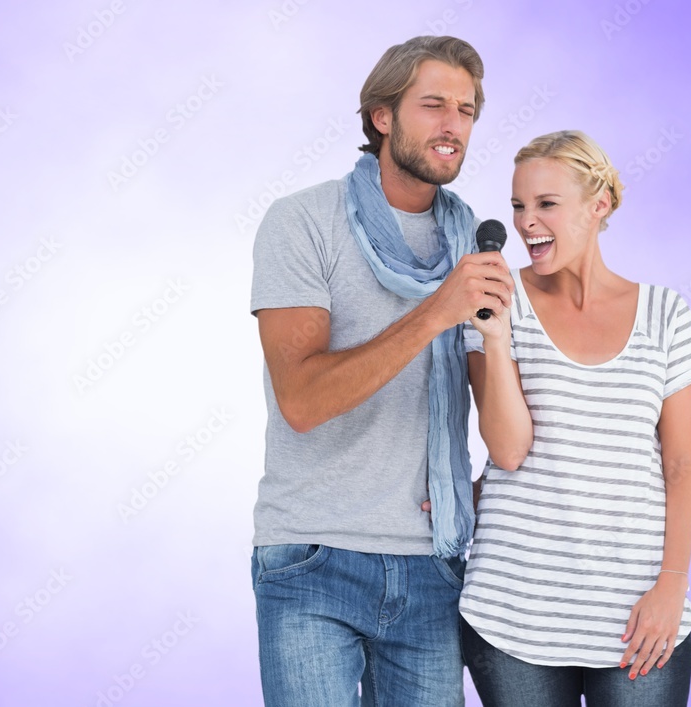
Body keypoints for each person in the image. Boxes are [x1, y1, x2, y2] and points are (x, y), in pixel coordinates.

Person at [249, 35, 513, 706]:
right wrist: (435, 311)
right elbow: (302, 399)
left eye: (467, 109)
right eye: (433, 104)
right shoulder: (303, 221)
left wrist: (471, 492)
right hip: (314, 556)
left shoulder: (473, 247)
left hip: (433, 566)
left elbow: (502, 422)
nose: (454, 124)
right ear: (381, 116)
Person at [459, 130, 691, 706]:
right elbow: (507, 450)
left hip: (639, 618)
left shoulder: (665, 315)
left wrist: (672, 585)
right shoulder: (493, 302)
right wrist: (496, 338)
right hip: (514, 612)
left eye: (547, 204)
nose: (528, 223)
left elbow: (681, 465)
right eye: (518, 206)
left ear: (598, 205)